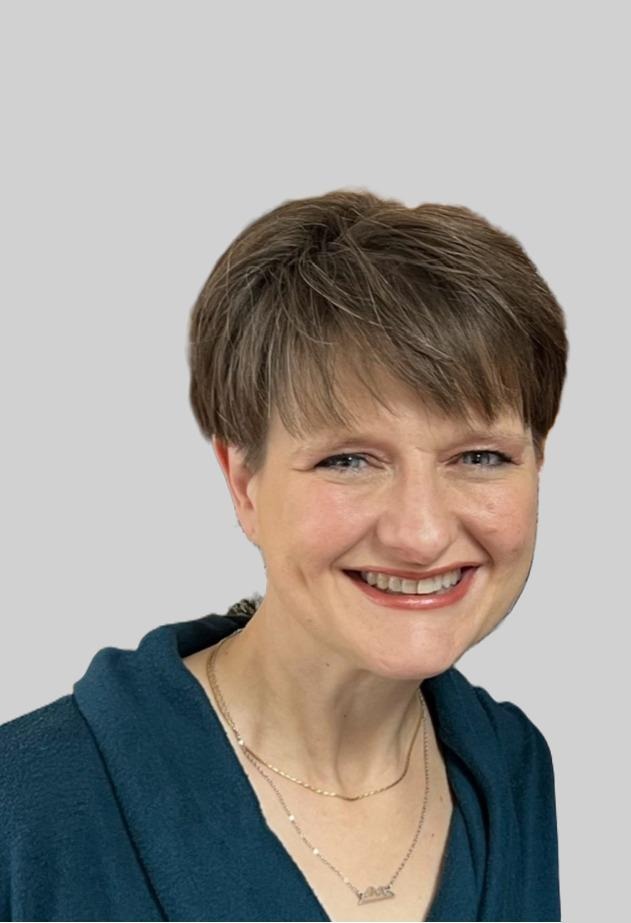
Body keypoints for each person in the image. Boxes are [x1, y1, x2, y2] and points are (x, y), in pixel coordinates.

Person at [0, 189, 566, 922]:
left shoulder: (510, 764)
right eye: (350, 461)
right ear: (243, 482)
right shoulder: (27, 805)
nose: (421, 532)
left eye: (480, 455)